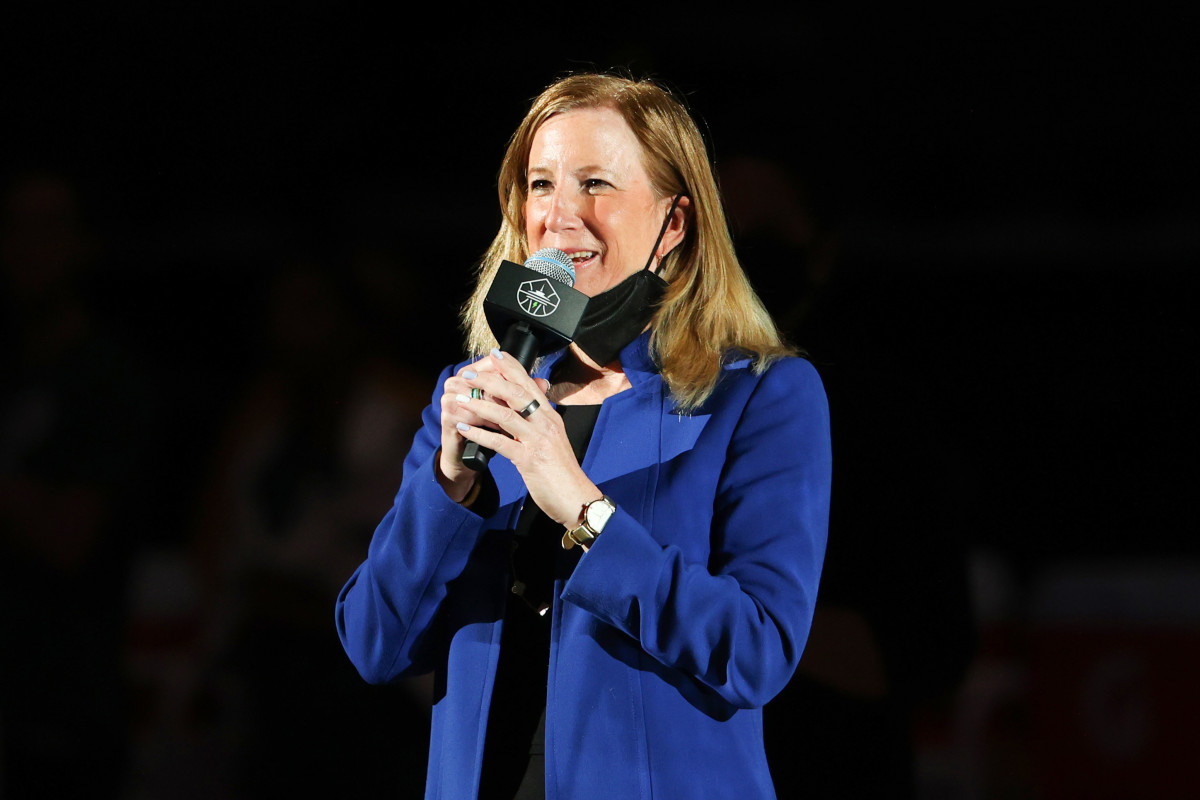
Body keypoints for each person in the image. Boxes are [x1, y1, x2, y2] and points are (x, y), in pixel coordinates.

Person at [336, 74, 832, 799]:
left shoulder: (759, 396)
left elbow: (757, 650)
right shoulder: (477, 398)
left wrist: (585, 511)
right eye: (540, 185)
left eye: (595, 183)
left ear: (676, 223)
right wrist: (446, 488)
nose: (559, 215)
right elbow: (374, 644)